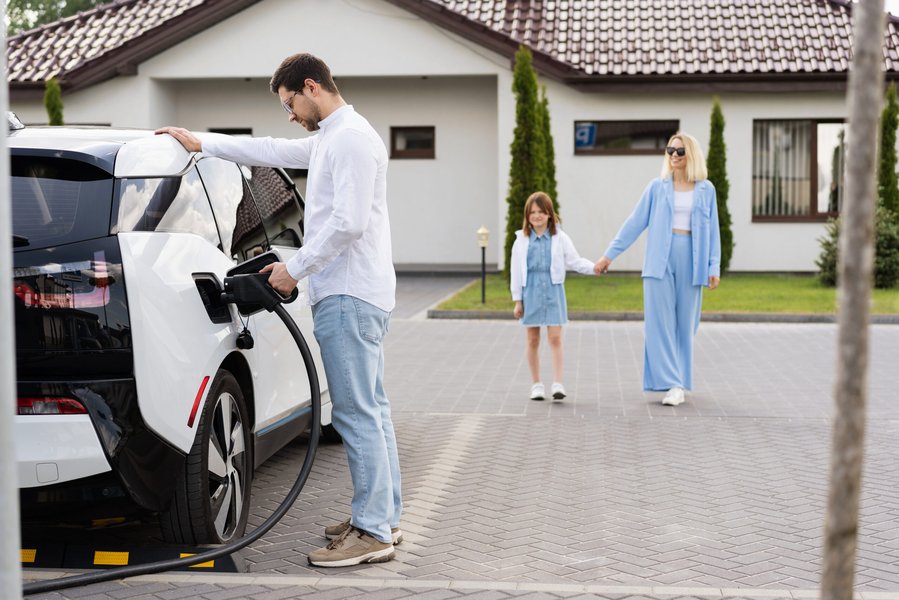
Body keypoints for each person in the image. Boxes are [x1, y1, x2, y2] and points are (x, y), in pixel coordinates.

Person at [157, 52, 402, 568]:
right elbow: (272, 150)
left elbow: (349, 222)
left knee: (358, 416)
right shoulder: (336, 137)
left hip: (350, 295)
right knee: (372, 413)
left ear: (311, 87)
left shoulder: (351, 139)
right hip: (356, 294)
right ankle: (380, 516)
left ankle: (373, 531)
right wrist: (204, 142)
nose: (289, 114)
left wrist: (297, 268)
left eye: (290, 102)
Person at [594, 132, 721, 407]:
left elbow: (713, 232)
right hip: (658, 262)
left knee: (687, 324)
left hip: (692, 258)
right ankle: (673, 384)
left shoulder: (706, 189)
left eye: (680, 151)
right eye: (670, 150)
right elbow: (634, 223)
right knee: (659, 324)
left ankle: (677, 379)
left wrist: (714, 266)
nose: (674, 155)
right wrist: (609, 255)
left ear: (691, 155)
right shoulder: (656, 187)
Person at [510, 191, 595, 401]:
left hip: (553, 291)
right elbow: (515, 272)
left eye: (541, 211)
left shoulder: (560, 238)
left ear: (549, 214)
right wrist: (517, 301)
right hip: (530, 292)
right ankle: (536, 384)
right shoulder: (520, 241)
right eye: (532, 212)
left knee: (555, 338)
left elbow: (575, 261)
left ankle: (557, 383)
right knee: (532, 340)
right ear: (527, 216)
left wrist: (596, 268)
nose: (537, 216)